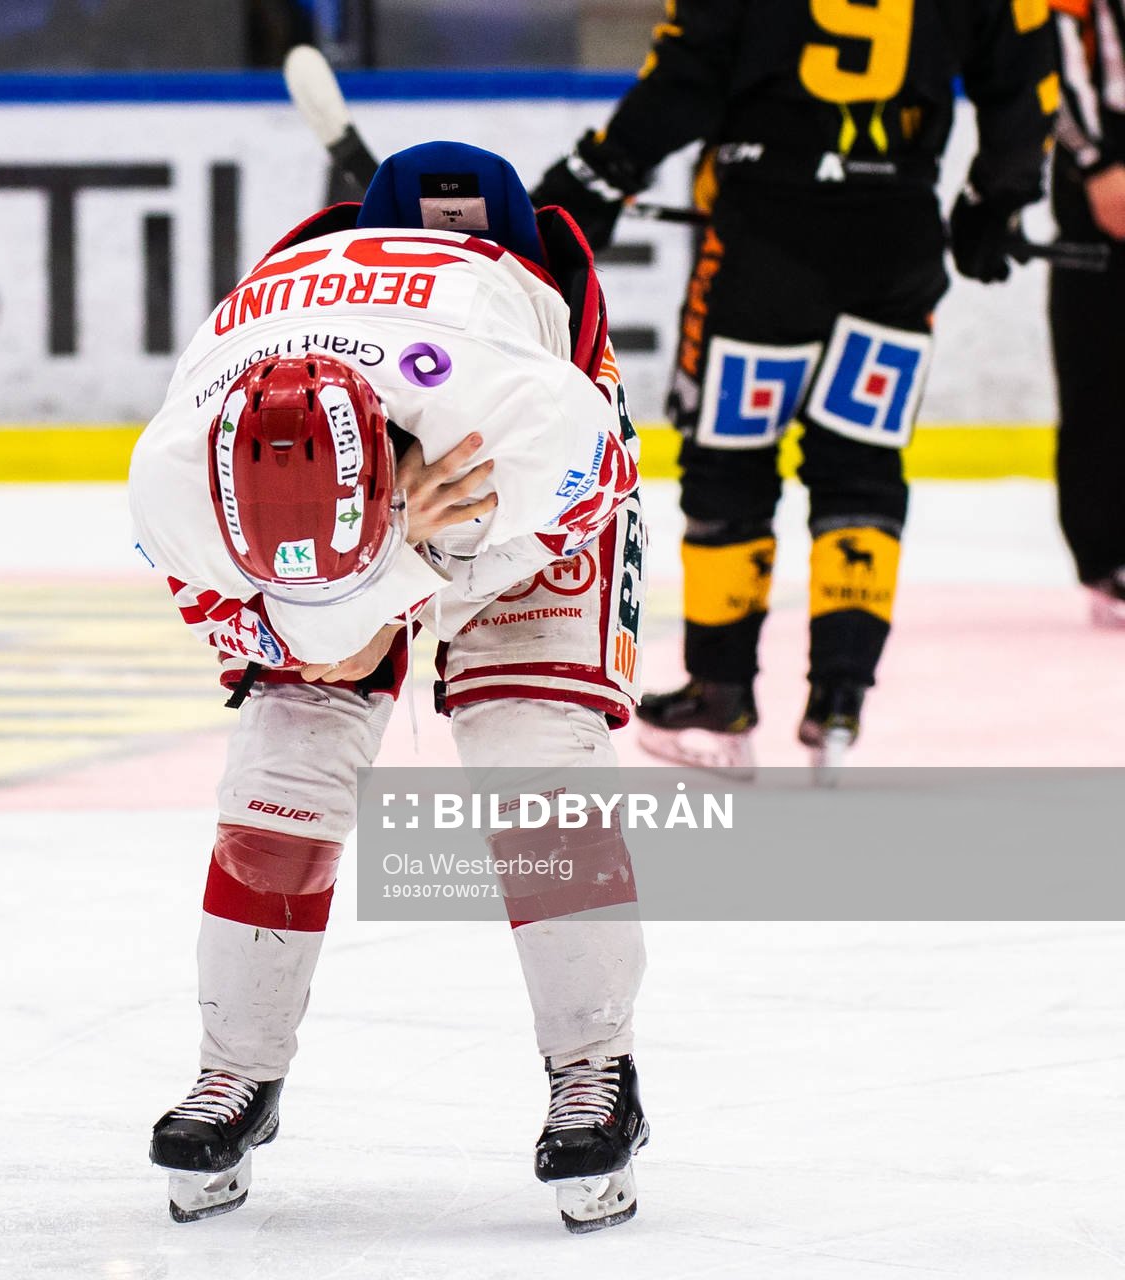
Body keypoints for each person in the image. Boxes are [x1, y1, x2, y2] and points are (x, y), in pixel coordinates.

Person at [129, 142, 650, 1233]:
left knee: (533, 752)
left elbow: (594, 487)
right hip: (366, 473)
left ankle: (597, 1067)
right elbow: (321, 646)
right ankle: (236, 1069)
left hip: (503, 482)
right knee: (283, 766)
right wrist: (365, 588)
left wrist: (427, 554)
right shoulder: (174, 485)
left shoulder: (532, 421)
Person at [531, 0, 1058, 771]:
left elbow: (689, 69)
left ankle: (721, 692)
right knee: (862, 460)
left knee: (730, 458)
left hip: (763, 241)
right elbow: (1025, 70)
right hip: (897, 239)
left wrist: (598, 175)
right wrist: (996, 198)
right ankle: (840, 697)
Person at [1048, 0, 1125, 627]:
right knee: (1100, 368)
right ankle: (1108, 557)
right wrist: (1093, 160)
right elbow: (1047, 53)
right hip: (1103, 161)